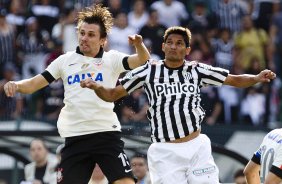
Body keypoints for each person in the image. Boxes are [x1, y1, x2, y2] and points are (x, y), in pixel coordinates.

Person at [80, 26, 276, 183]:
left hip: (197, 146)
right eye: (170, 43)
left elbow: (234, 79)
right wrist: (97, 87)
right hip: (165, 151)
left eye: (179, 43)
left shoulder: (197, 70)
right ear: (163, 46)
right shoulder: (148, 71)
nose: (174, 46)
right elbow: (113, 94)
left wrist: (257, 77)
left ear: (187, 50)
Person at [4, 4, 150, 184]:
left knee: (125, 182)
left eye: (91, 34)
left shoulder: (112, 59)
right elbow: (34, 83)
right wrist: (16, 85)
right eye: (82, 33)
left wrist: (139, 45)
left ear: (102, 39)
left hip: (105, 134)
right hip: (75, 137)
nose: (84, 38)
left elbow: (142, 59)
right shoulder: (65, 61)